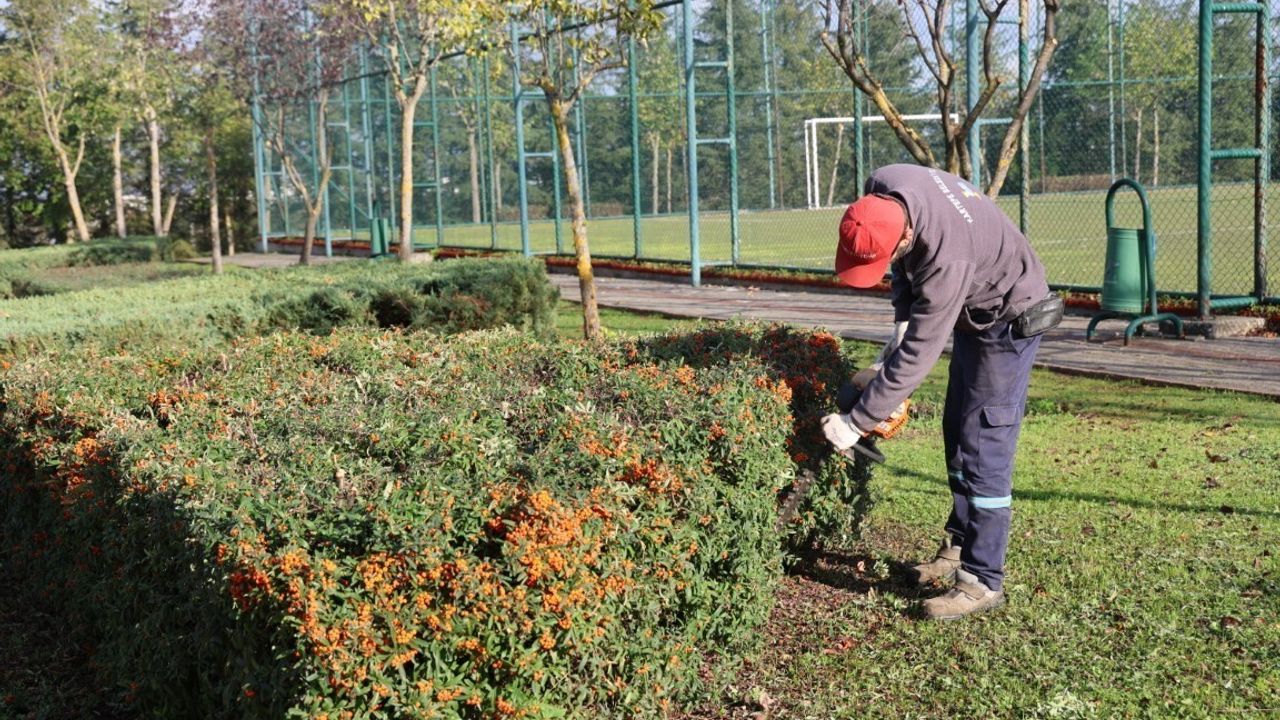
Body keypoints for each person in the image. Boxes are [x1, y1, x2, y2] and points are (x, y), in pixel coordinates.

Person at [820, 163, 1059, 620]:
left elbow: (919, 358)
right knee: (957, 426)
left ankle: (982, 581)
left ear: (905, 236)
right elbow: (908, 279)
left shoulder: (948, 259)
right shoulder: (885, 184)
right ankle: (958, 543)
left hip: (1008, 317)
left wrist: (856, 423)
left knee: (984, 440)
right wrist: (898, 328)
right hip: (974, 307)